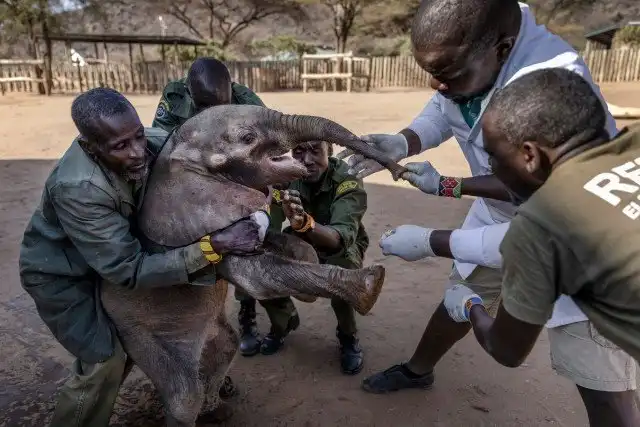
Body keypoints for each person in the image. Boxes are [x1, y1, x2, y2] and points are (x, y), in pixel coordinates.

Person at [338, 0, 638, 422]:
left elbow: (508, 347)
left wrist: (432, 241)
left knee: (604, 386)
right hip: (541, 225)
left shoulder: (554, 85)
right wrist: (405, 141)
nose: (437, 86)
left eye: (493, 159)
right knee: (466, 287)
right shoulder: (479, 44)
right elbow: (447, 107)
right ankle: (419, 369)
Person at [18, 87, 264, 427]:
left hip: (113, 255)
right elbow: (129, 270)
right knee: (105, 359)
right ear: (90, 147)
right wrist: (213, 246)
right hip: (65, 275)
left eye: (137, 135)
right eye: (120, 146)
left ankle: (204, 388)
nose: (137, 152)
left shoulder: (151, 143)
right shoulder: (79, 188)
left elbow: (203, 157)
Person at [445, 67, 640, 427]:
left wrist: (469, 305)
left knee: (610, 400)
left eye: (493, 157)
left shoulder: (541, 229)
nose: (492, 169)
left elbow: (507, 349)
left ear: (530, 155)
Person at [258, 140, 370, 375]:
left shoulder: (347, 180)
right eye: (299, 152)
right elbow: (270, 224)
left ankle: (347, 335)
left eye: (315, 151)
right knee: (261, 262)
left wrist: (304, 223)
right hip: (302, 239)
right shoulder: (287, 175)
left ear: (330, 151)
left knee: (343, 272)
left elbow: (339, 237)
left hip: (339, 243)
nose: (307, 160)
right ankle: (284, 320)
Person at [151, 56, 265, 133]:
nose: (214, 115)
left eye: (222, 107)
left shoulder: (246, 100)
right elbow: (161, 138)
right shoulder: (175, 97)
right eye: (206, 107)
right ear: (189, 93)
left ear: (231, 90)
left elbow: (269, 133)